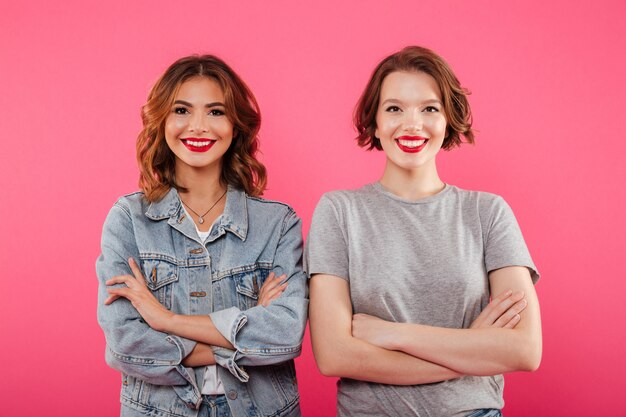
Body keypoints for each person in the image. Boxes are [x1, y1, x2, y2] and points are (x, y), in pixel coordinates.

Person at [306, 46, 541, 417]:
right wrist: (473, 350)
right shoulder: (339, 212)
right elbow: (334, 355)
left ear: (448, 119)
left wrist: (395, 334)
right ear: (376, 122)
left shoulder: (487, 212)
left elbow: (524, 350)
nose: (412, 123)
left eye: (429, 108)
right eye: (394, 108)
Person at [96, 55, 307, 417]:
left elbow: (286, 335)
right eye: (181, 110)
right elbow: (126, 346)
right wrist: (250, 323)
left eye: (215, 112)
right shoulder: (129, 220)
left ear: (236, 125)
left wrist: (167, 321)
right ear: (161, 121)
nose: (197, 126)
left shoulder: (278, 223)